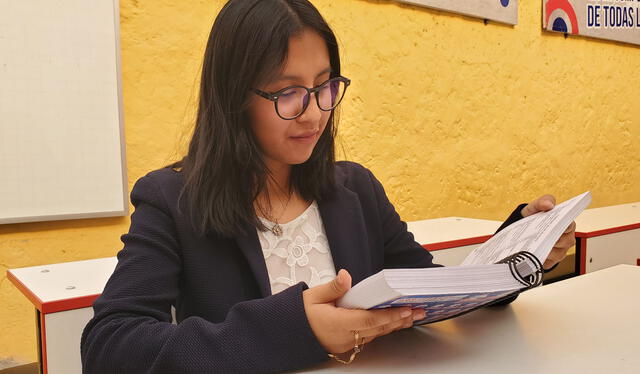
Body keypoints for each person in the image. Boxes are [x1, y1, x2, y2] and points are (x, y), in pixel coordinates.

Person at [80, 0, 576, 373]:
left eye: (324, 86)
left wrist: (517, 252)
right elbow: (109, 345)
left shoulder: (355, 189)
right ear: (233, 98)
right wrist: (297, 329)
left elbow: (431, 290)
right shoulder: (173, 200)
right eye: (288, 92)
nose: (315, 111)